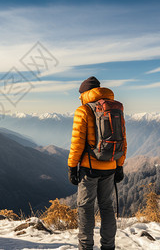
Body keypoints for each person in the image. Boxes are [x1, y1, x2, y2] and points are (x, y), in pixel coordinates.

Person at [67, 76, 127, 250]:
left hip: (90, 168)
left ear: (84, 93)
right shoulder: (114, 108)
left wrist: (72, 166)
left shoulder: (83, 110)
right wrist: (119, 165)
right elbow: (123, 139)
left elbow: (77, 142)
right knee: (107, 207)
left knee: (85, 208)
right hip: (110, 165)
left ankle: (85, 247)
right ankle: (108, 247)